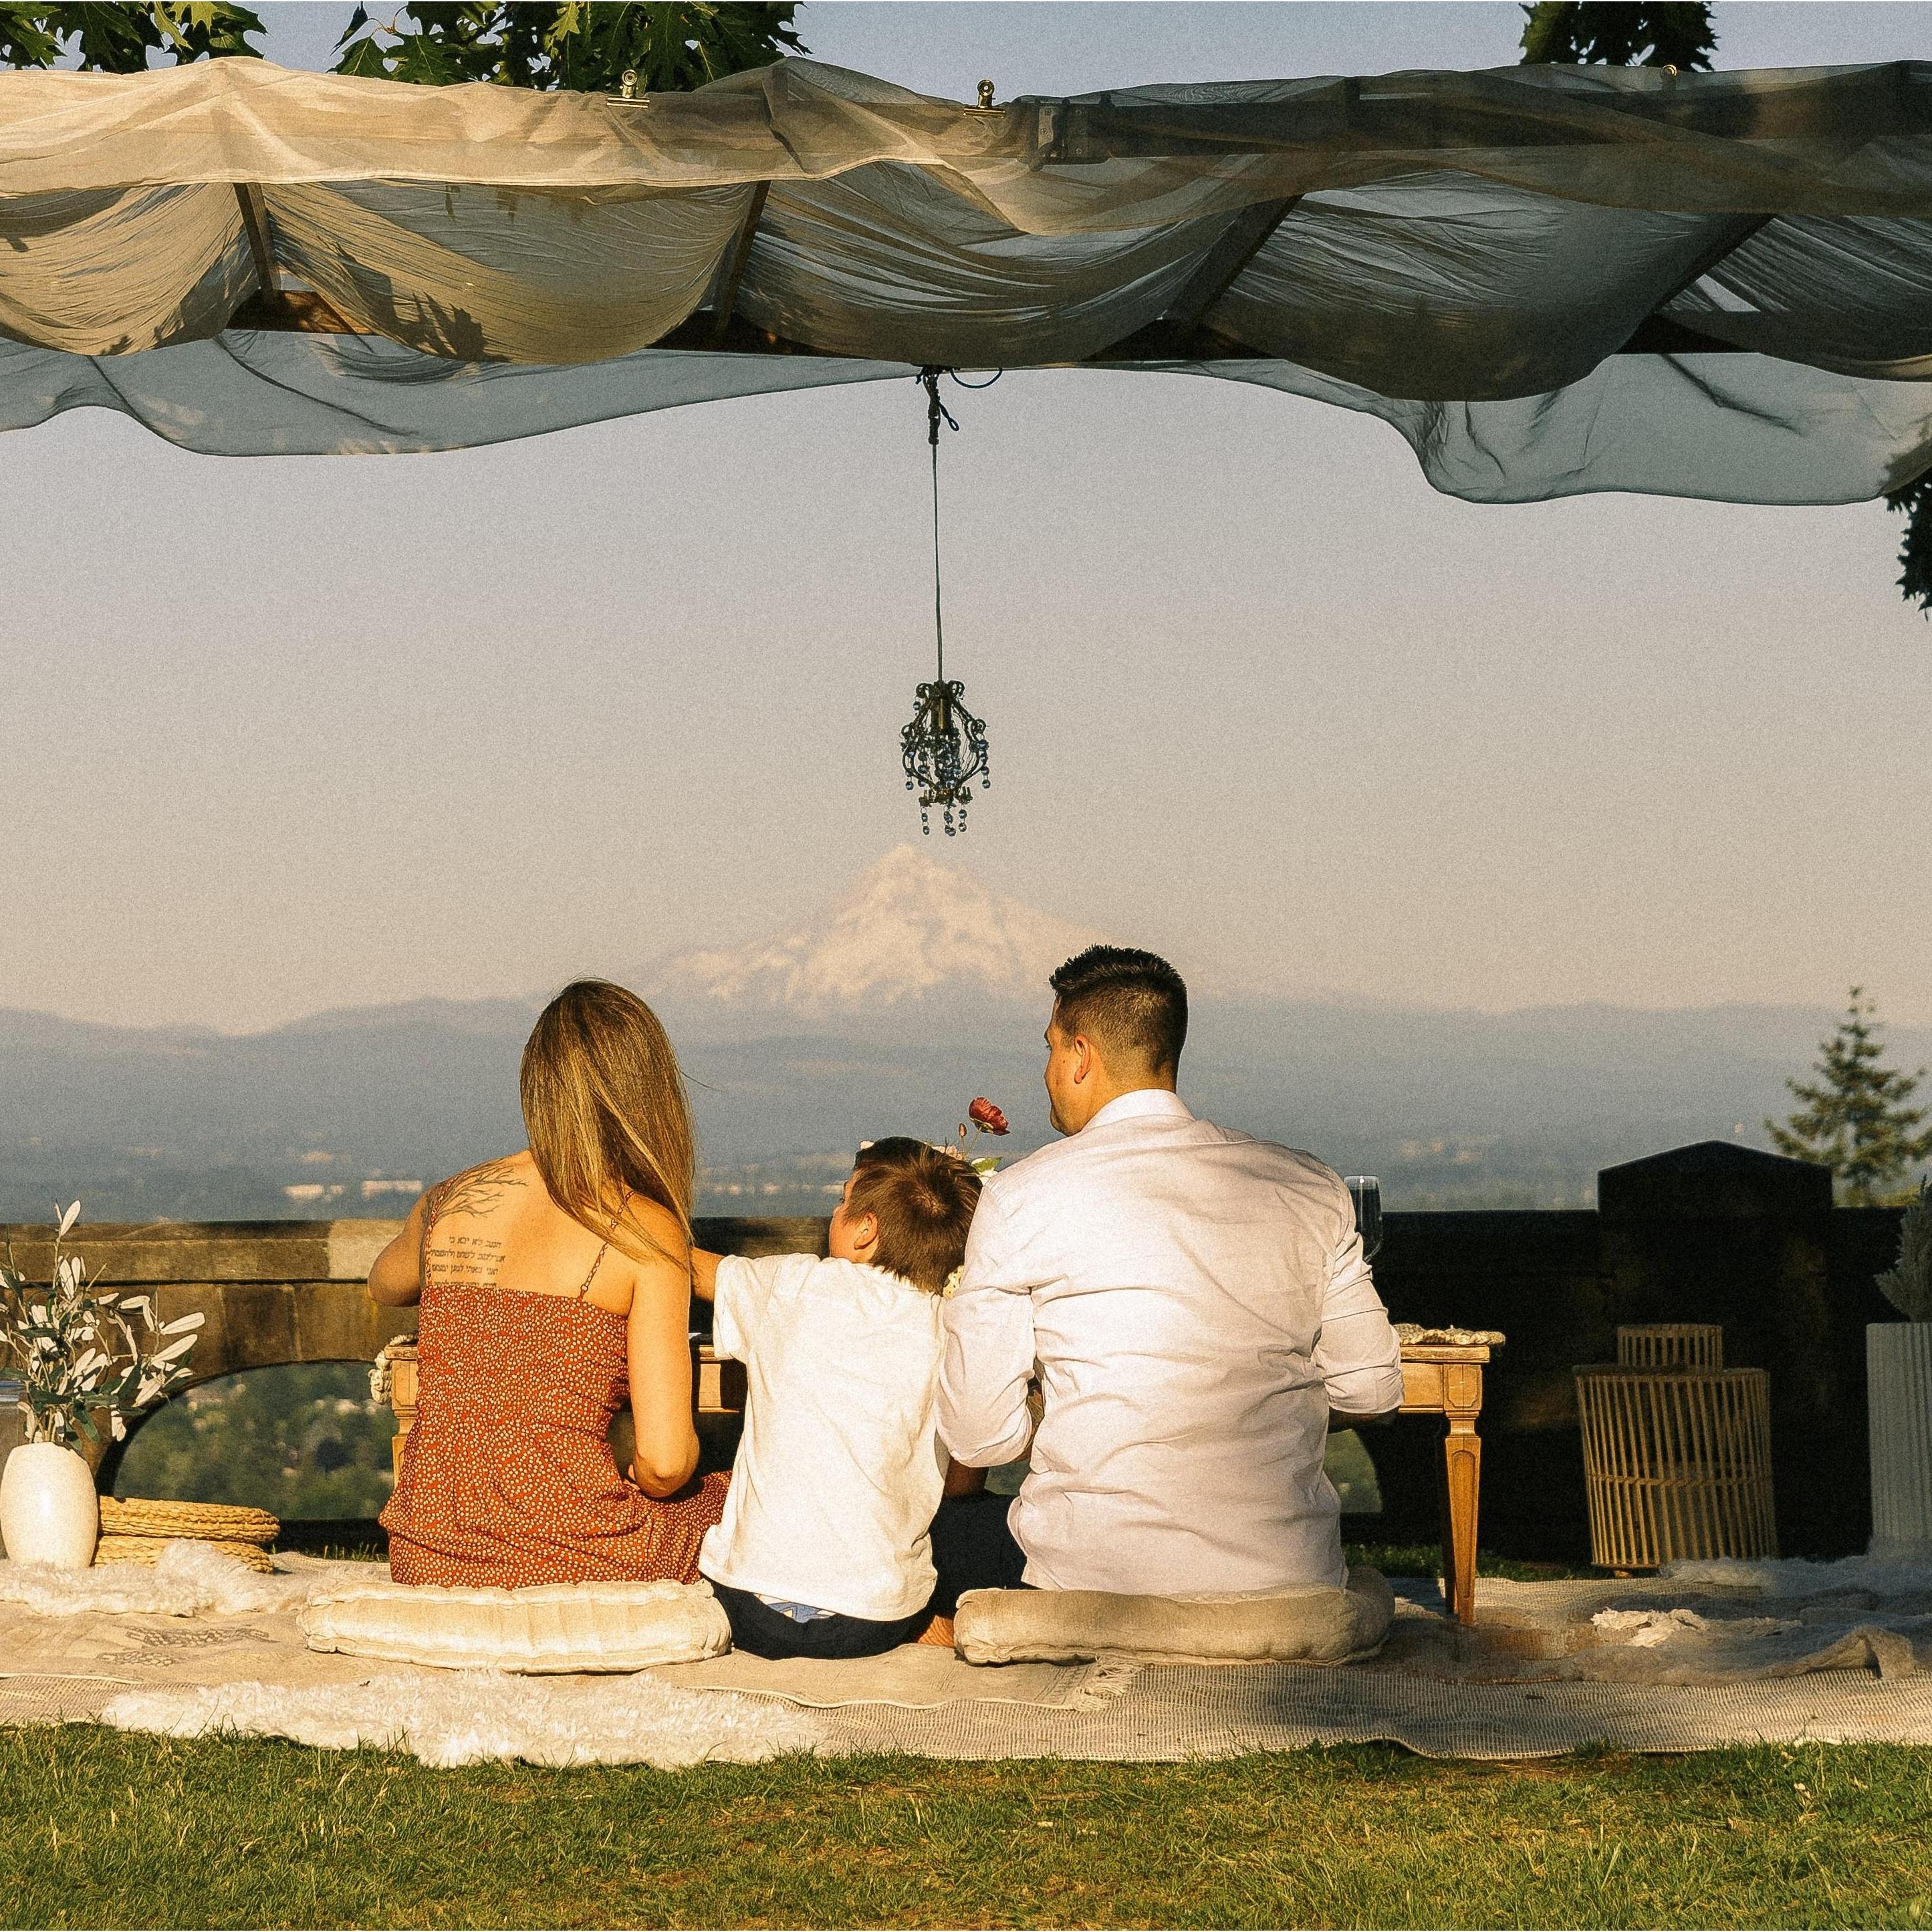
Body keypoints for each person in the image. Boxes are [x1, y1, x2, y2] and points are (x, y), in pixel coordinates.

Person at [935, 945, 1405, 1606]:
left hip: (1089, 1580)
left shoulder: (1021, 1196)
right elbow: (1371, 1390)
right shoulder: (1308, 1184)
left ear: (1078, 1053)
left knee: (934, 1531)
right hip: (1287, 1580)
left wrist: (1081, 1408)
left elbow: (980, 1435)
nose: (1046, 1072)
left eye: (1048, 1048)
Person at [367, 979, 727, 1588]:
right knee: (740, 1505)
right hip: (569, 1550)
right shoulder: (644, 1229)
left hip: (428, 1554)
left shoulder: (450, 1200)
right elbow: (665, 1465)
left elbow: (385, 1283)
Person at [689, 1137, 982, 1659]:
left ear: (866, 1229)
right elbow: (960, 1484)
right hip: (873, 1622)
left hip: (748, 1607)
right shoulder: (949, 1333)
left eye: (844, 1200)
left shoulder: (795, 1283)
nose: (834, 1209)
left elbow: (691, 1268)